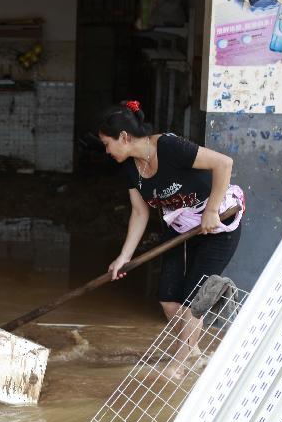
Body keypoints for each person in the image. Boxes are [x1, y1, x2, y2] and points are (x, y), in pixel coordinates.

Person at [98, 101, 245, 378]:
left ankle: (176, 367)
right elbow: (140, 212)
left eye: (107, 144)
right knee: (168, 300)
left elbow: (224, 164)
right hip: (181, 227)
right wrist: (124, 257)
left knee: (192, 300)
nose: (107, 151)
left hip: (218, 223)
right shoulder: (131, 168)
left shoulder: (168, 147)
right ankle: (195, 353)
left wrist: (212, 210)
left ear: (124, 137)